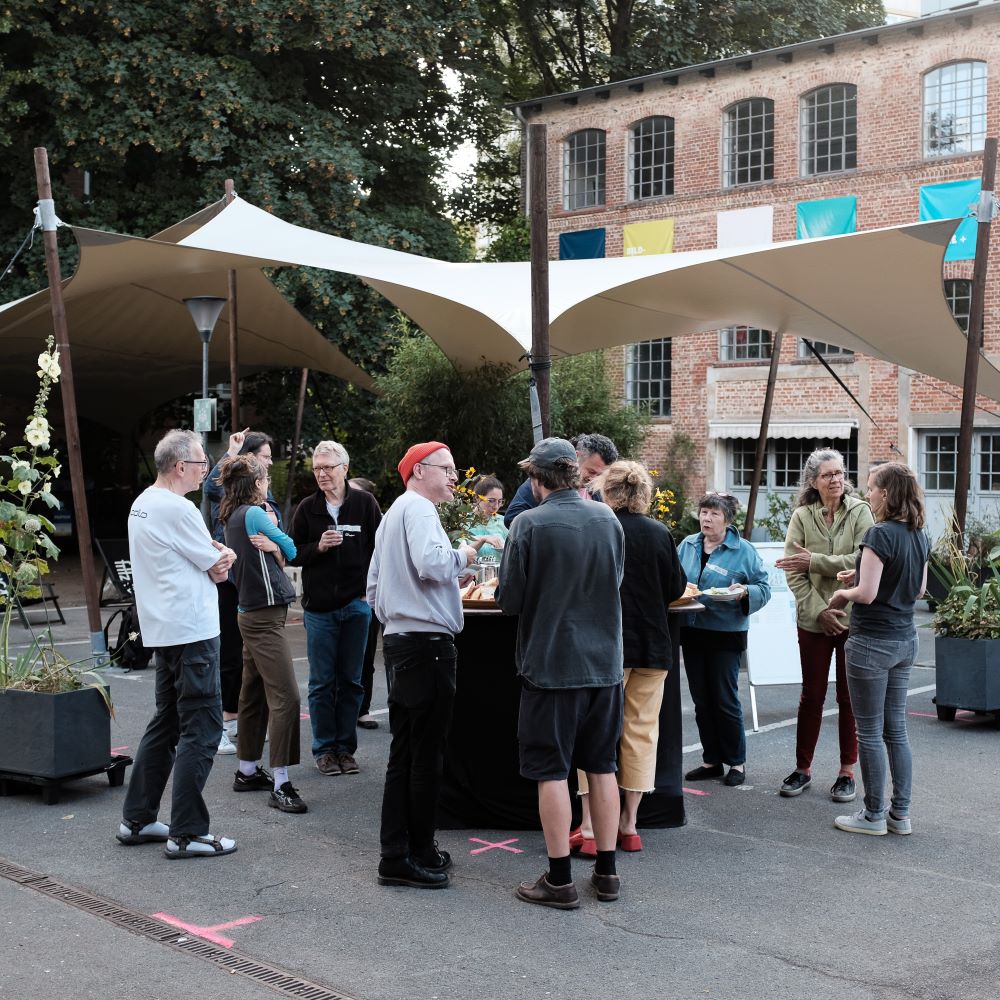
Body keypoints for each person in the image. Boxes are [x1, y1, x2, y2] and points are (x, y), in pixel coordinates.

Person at [497, 437, 626, 909]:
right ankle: (607, 873)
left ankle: (559, 879)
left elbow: (509, 600)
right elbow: (615, 580)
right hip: (604, 664)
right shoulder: (608, 519)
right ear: (574, 473)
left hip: (551, 665)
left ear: (537, 480)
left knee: (551, 771)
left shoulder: (528, 524)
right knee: (602, 766)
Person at [117, 429, 238, 859]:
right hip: (192, 630)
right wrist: (223, 558)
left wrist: (214, 558)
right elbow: (216, 564)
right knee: (201, 729)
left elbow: (204, 557)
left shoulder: (143, 503)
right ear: (181, 466)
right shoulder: (179, 508)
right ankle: (187, 832)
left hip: (164, 629)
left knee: (166, 722)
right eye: (202, 462)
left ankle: (137, 819)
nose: (206, 469)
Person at [367, 441, 479, 890]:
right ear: (418, 470)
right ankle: (402, 855)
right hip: (426, 645)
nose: (454, 476)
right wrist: (464, 556)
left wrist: (406, 610)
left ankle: (412, 849)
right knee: (424, 756)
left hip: (403, 641)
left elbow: (375, 587)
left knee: (408, 753)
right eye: (446, 468)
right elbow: (432, 563)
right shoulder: (418, 509)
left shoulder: (395, 512)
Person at [573, 461, 687, 857]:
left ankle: (590, 825)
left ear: (608, 491)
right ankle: (630, 824)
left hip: (607, 646)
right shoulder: (659, 533)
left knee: (595, 732)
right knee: (641, 733)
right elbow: (676, 587)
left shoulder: (599, 527)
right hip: (653, 645)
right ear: (643, 494)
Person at [826, 462, 929, 836]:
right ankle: (900, 815)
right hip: (905, 639)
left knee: (868, 732)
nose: (865, 493)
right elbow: (919, 589)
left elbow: (867, 595)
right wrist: (861, 575)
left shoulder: (879, 533)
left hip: (871, 642)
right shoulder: (919, 533)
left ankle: (872, 816)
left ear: (885, 494)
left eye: (870, 488)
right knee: (896, 730)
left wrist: (844, 593)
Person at [774, 449, 875, 802]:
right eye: (828, 475)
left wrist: (815, 561)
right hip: (814, 620)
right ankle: (802, 769)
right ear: (813, 481)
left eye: (840, 473)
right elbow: (793, 570)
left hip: (851, 619)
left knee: (849, 698)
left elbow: (863, 559)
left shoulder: (861, 511)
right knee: (812, 696)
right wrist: (820, 611)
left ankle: (847, 771)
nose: (836, 480)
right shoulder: (802, 516)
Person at [218, 454, 306, 814]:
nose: (268, 483)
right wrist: (275, 544)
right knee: (287, 698)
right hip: (264, 616)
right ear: (256, 484)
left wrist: (273, 546)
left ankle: (247, 770)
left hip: (250, 612)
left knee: (253, 693)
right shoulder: (255, 513)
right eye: (265, 478)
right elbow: (292, 549)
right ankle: (282, 783)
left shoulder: (231, 514)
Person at [291, 442, 382, 776]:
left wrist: (370, 594)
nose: (322, 474)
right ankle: (325, 751)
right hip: (319, 610)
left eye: (328, 467)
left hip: (357, 605)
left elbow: (380, 549)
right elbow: (292, 552)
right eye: (317, 468)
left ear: (344, 468)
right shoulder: (307, 508)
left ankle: (346, 749)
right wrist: (318, 547)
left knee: (352, 682)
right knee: (321, 683)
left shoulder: (365, 504)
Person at [678, 493, 771, 787]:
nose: (706, 518)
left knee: (725, 699)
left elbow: (763, 587)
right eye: (704, 512)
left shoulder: (744, 550)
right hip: (692, 629)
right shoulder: (687, 545)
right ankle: (711, 761)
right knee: (701, 700)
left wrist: (744, 592)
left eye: (714, 514)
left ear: (727, 520)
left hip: (726, 633)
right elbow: (674, 579)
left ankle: (736, 762)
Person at [203, 428, 280, 756]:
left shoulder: (264, 493)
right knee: (229, 655)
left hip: (256, 582)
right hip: (230, 582)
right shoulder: (228, 491)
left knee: (251, 658)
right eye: (265, 457)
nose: (270, 463)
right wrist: (231, 452)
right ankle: (220, 724)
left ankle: (238, 718)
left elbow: (278, 527)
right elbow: (210, 485)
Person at [503, 432, 618, 527]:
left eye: (600, 475)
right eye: (591, 471)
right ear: (576, 457)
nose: (594, 479)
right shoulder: (542, 482)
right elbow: (512, 518)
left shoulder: (599, 491)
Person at [349, 476, 383, 730]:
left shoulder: (377, 524)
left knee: (366, 655)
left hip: (368, 597)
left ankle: (363, 709)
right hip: (338, 599)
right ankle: (341, 707)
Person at [466, 475, 507, 562]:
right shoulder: (463, 521)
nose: (496, 506)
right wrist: (482, 539)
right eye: (491, 501)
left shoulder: (504, 522)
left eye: (500, 501)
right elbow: (460, 553)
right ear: (477, 498)